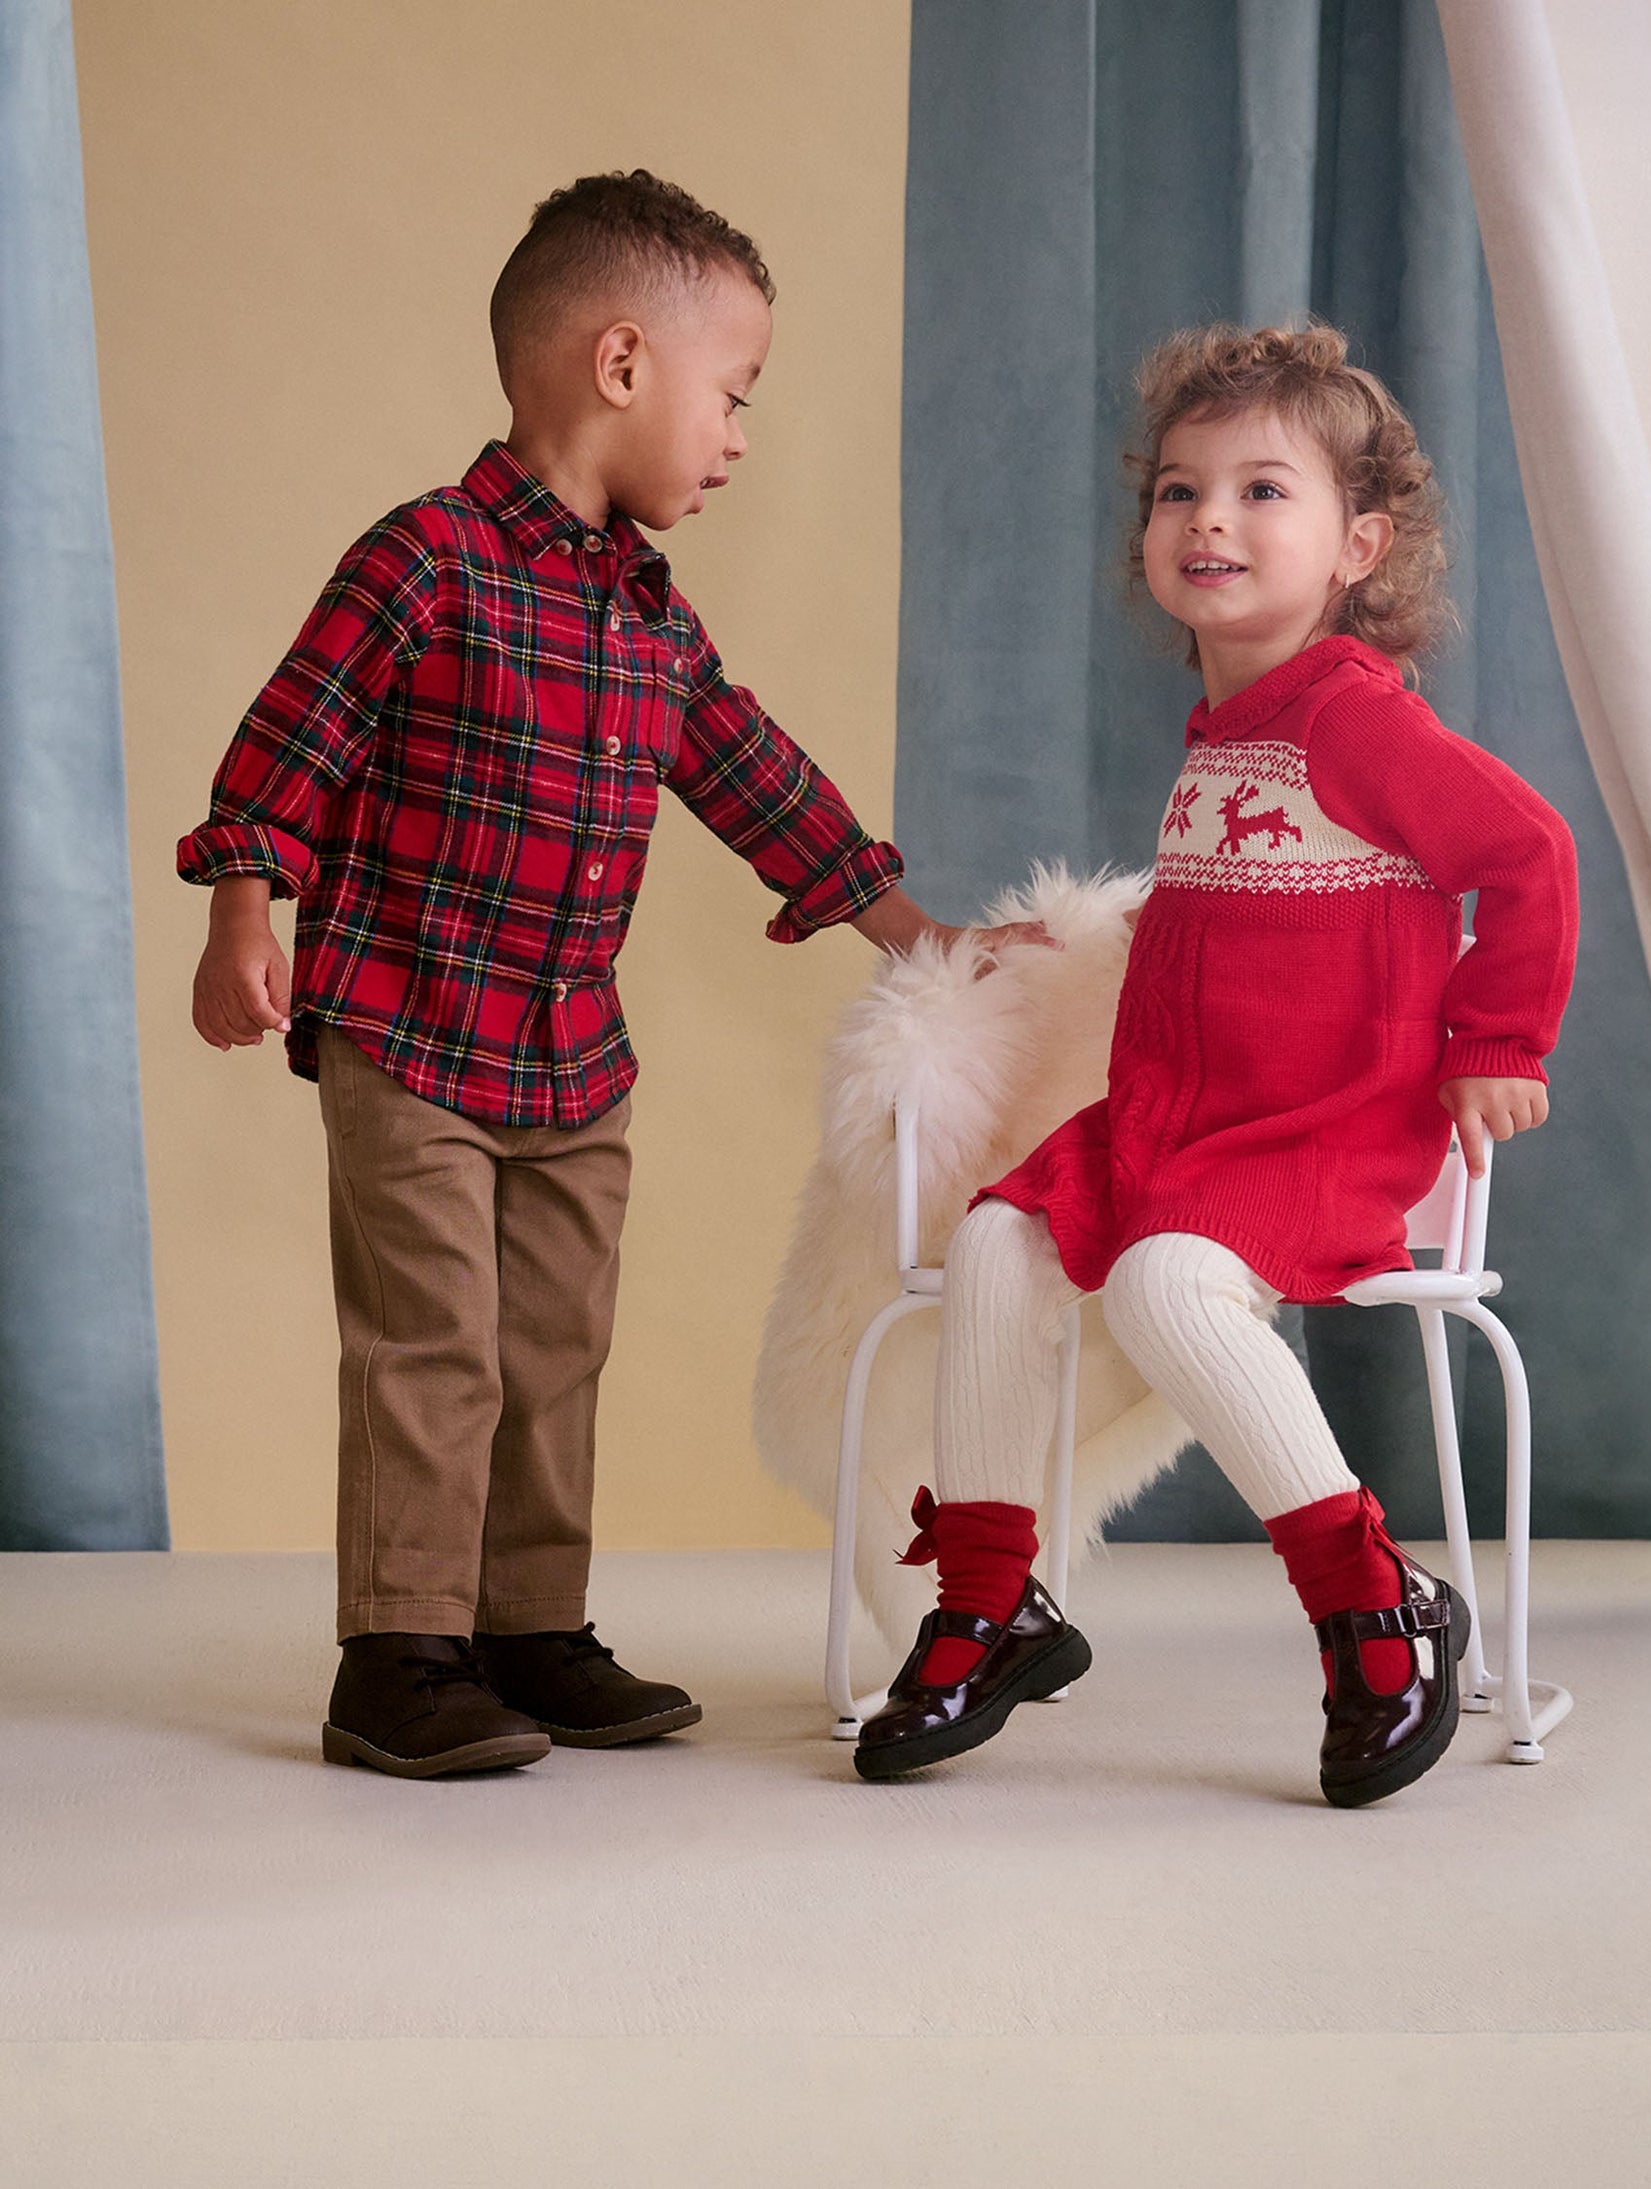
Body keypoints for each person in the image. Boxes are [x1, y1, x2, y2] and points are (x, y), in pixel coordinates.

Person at [180, 169, 1040, 1780]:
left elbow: (747, 771)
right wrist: (246, 911)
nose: (734, 438)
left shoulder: (647, 613)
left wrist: (915, 930)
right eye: (733, 395)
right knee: (432, 1344)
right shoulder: (424, 558)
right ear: (623, 365)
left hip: (573, 1058)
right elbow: (289, 744)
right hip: (408, 1031)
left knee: (555, 1346)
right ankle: (400, 1651)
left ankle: (527, 1624)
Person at [855, 322, 1578, 1806]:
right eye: (1180, 491)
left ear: (1358, 545)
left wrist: (1493, 1038)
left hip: (1321, 1123)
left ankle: (1369, 1600)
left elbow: (1527, 852)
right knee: (995, 1237)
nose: (1209, 522)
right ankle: (992, 1599)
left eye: (1262, 491)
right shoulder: (1224, 722)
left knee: (1162, 1283)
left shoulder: (1351, 714)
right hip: (1180, 1124)